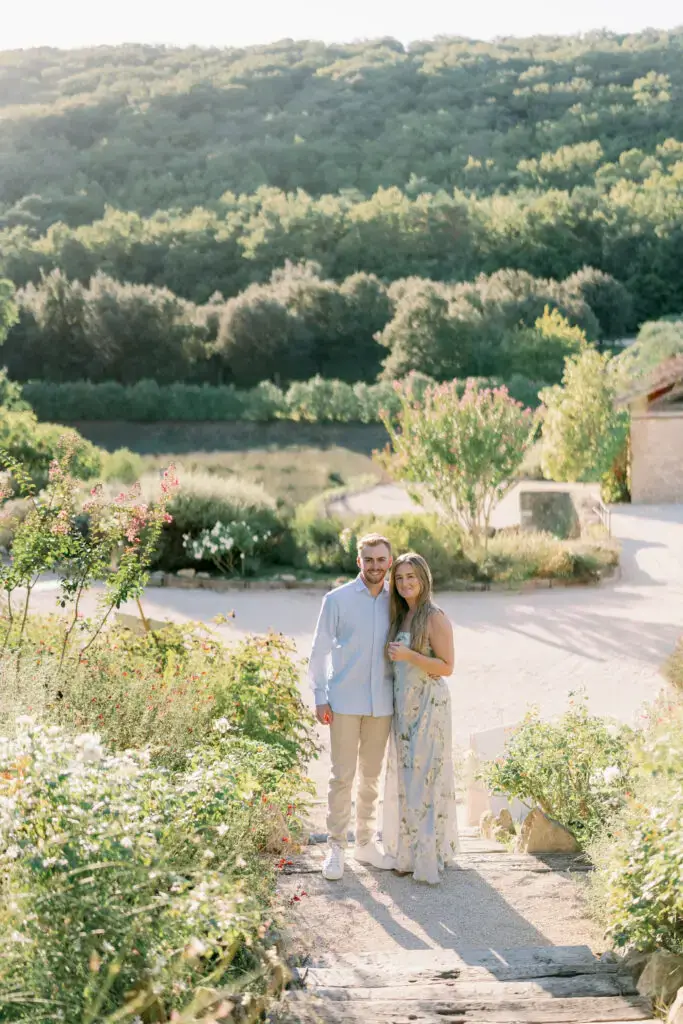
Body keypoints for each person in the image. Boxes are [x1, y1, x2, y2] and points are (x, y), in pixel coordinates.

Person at [309, 533, 397, 881]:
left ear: (389, 561)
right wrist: (319, 695)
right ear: (358, 561)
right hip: (344, 701)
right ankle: (335, 848)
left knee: (372, 778)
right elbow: (319, 650)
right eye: (369, 560)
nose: (375, 566)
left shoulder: (398, 601)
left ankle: (365, 843)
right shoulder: (337, 600)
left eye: (381, 560)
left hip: (382, 703)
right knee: (342, 777)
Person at [381, 552, 460, 884]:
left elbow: (447, 667)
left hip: (429, 705)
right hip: (404, 706)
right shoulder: (402, 616)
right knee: (406, 778)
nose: (405, 583)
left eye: (411, 577)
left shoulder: (434, 617)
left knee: (424, 780)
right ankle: (408, 854)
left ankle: (427, 858)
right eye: (399, 578)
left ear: (424, 579)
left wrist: (410, 655)